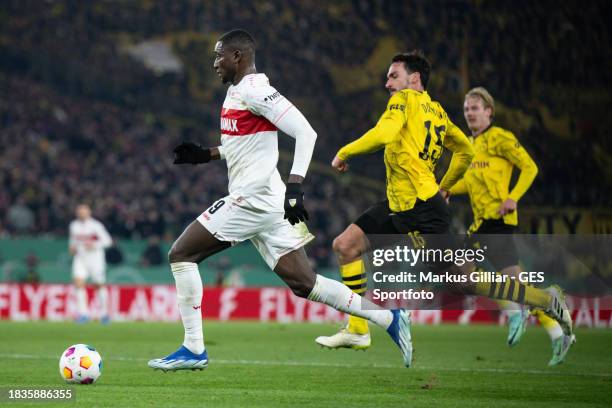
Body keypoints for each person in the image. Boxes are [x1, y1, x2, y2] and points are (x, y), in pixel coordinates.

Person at [147, 29, 412, 371]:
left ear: (238, 57)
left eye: (219, 56)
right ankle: (389, 318)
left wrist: (296, 185)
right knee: (306, 283)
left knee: (181, 254)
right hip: (266, 201)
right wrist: (207, 154)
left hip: (253, 198)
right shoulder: (239, 91)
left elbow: (306, 132)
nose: (215, 63)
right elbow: (245, 143)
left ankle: (194, 348)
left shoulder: (256, 90)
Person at [315, 51, 573, 360]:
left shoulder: (405, 100)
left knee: (465, 280)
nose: (387, 84)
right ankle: (358, 329)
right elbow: (464, 150)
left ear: (414, 79)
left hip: (422, 210)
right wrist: (446, 186)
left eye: (393, 75)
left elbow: (384, 134)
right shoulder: (437, 113)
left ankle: (544, 299)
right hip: (403, 205)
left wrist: (344, 152)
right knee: (346, 245)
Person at [450, 87, 575, 365]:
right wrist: (446, 189)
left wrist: (512, 197)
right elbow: (468, 183)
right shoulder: (469, 146)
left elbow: (530, 167)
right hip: (481, 224)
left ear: (489, 112)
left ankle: (523, 313)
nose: (469, 113)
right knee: (504, 282)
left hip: (498, 222)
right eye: (467, 108)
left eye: (475, 108)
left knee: (470, 274)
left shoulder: (501, 138)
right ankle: (555, 328)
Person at [69, 204, 112, 324]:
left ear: (89, 212)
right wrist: (72, 247)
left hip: (95, 259)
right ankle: (83, 314)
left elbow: (107, 241)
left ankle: (104, 313)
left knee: (99, 285)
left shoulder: (96, 225)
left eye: (84, 211)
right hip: (80, 258)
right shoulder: (74, 225)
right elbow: (73, 240)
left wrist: (95, 245)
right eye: (79, 211)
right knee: (78, 283)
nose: (81, 213)